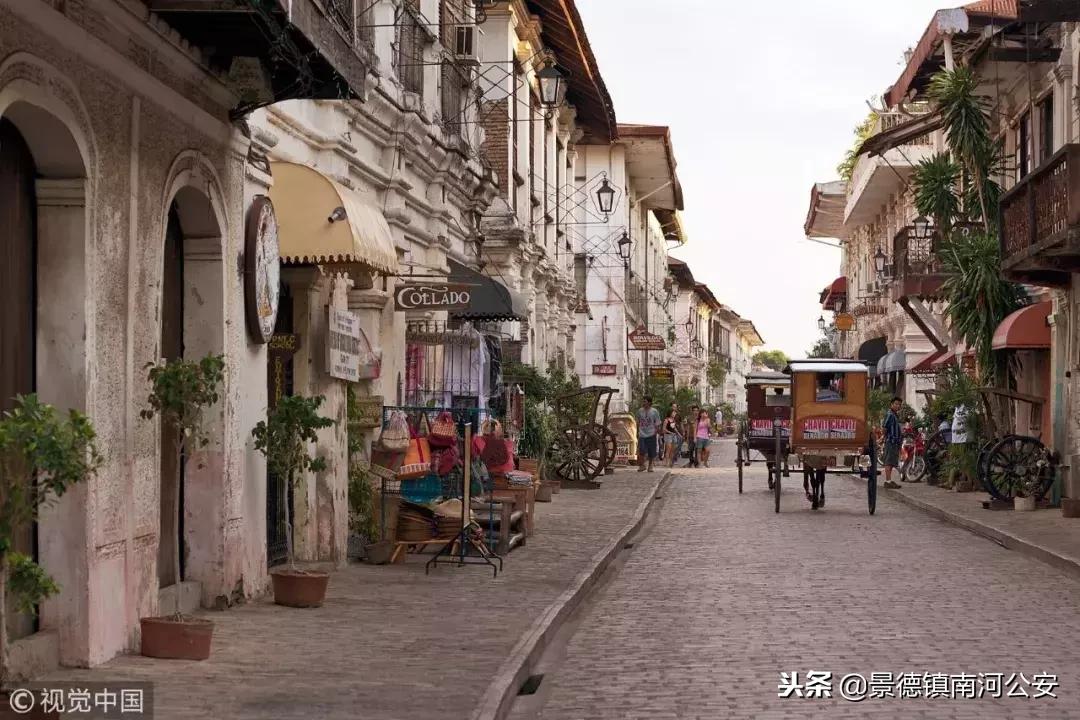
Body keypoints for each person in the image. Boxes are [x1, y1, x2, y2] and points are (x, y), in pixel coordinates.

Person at [636, 396, 661, 473]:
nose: (643, 403)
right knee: (642, 450)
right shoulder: (640, 411)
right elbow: (638, 421)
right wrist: (637, 431)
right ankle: (642, 465)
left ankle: (650, 465)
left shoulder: (654, 411)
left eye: (645, 401)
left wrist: (656, 431)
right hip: (642, 433)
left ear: (649, 402)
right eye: (643, 401)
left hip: (651, 433)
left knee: (651, 451)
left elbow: (657, 422)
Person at [882, 396, 902, 489]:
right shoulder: (890, 414)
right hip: (890, 441)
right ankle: (888, 481)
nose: (898, 406)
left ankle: (889, 480)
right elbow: (885, 427)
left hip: (895, 442)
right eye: (896, 404)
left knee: (892, 461)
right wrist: (885, 437)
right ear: (892, 404)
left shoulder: (895, 415)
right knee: (889, 462)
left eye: (899, 404)